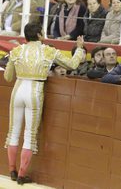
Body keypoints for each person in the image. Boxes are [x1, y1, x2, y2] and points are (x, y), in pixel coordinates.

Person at [3, 22, 84, 185]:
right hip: (34, 90)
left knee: (13, 131)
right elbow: (73, 64)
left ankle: (11, 169)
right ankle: (21, 175)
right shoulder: (48, 50)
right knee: (29, 134)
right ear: (40, 35)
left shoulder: (16, 50)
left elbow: (8, 77)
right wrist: (80, 48)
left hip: (18, 90)